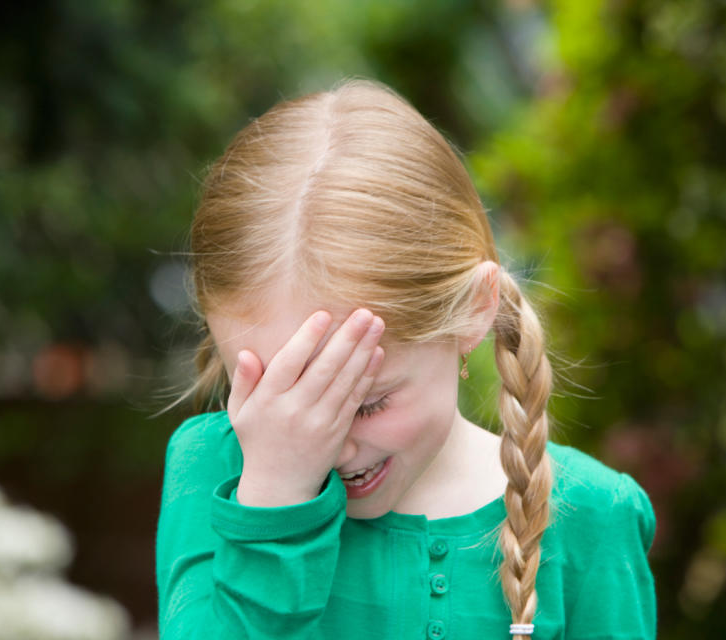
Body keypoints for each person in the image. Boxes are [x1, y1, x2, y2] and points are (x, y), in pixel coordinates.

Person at [156, 78, 656, 640]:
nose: (329, 443)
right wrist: (272, 504)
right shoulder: (215, 471)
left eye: (366, 403)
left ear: (473, 311)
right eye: (283, 398)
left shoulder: (594, 517)